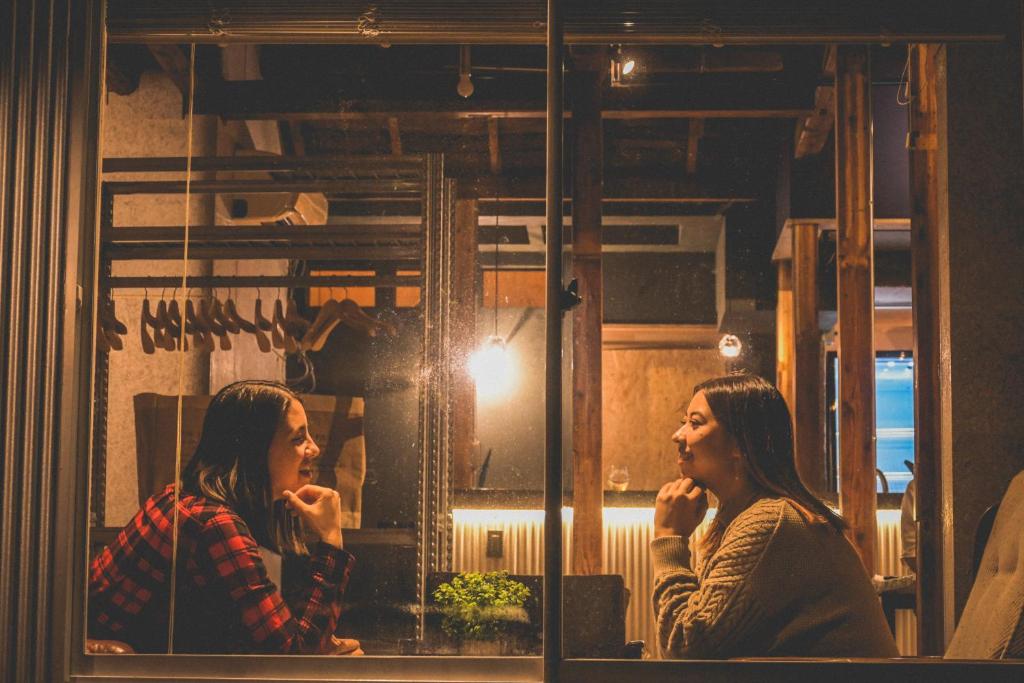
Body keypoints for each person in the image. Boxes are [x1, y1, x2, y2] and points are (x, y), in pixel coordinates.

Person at [89, 380, 362, 655]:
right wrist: (331, 539)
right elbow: (291, 660)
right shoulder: (215, 525)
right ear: (255, 450)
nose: (314, 449)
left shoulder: (180, 498)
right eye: (298, 438)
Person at [651, 373, 898, 659]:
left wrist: (669, 539)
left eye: (695, 423)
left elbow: (685, 648)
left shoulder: (769, 521)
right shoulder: (751, 517)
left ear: (740, 444)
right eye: (684, 422)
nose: (677, 435)